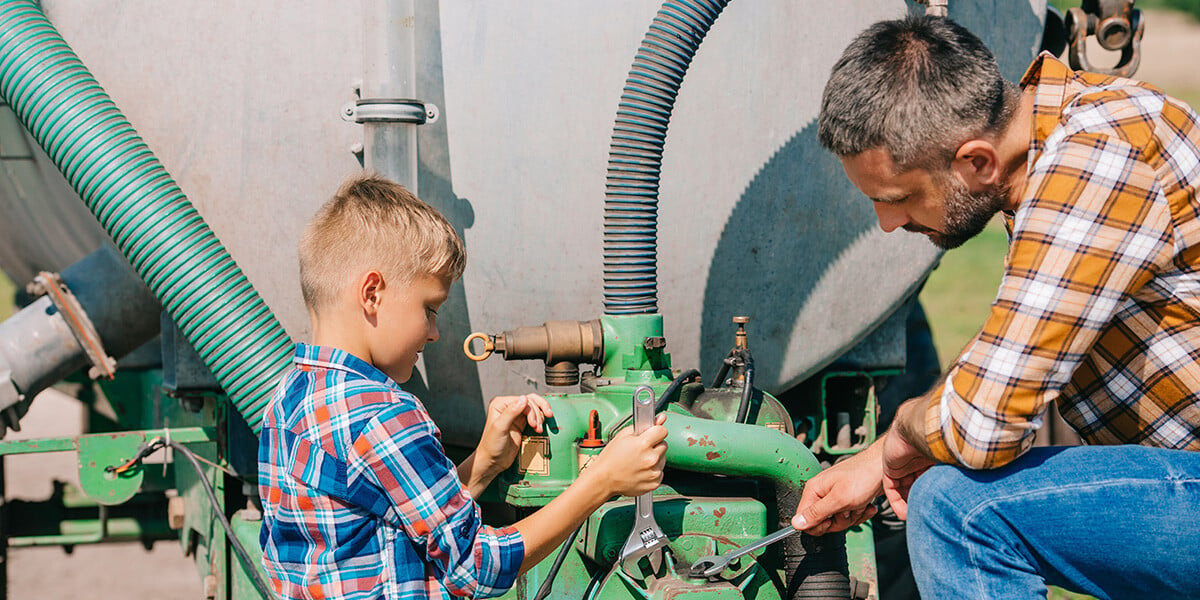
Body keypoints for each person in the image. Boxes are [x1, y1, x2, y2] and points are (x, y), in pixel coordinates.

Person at [791, 15, 1200, 599]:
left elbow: (986, 424)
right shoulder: (1067, 139)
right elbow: (1009, 354)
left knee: (956, 510)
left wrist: (904, 430)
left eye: (900, 197)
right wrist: (878, 459)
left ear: (978, 162)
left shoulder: (1096, 158)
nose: (888, 224)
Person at [258, 175, 669, 599]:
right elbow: (478, 566)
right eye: (430, 309)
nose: (434, 333)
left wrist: (482, 465)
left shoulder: (288, 399)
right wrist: (603, 480)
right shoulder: (385, 415)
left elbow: (393, 515)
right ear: (372, 293)